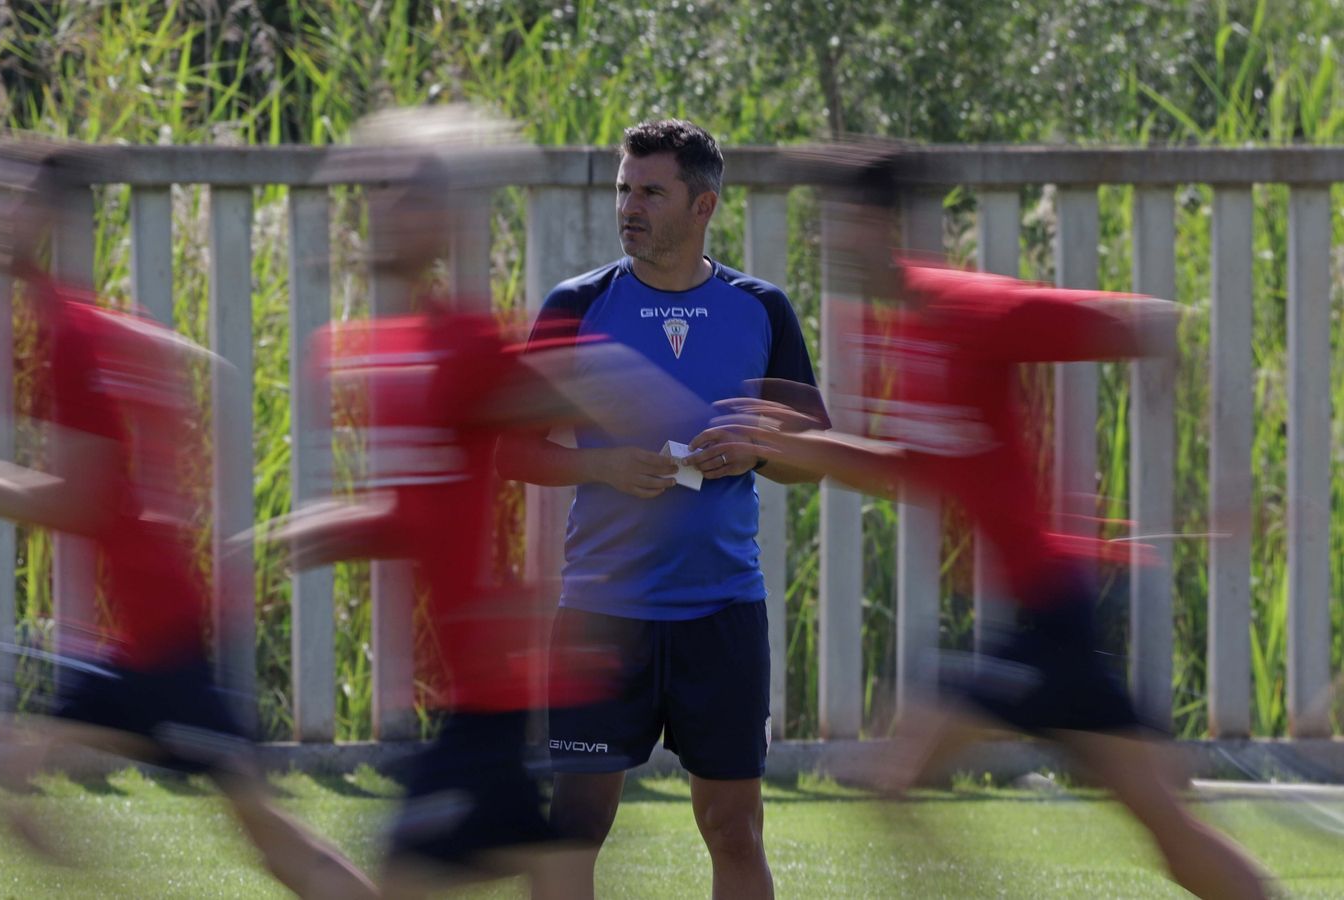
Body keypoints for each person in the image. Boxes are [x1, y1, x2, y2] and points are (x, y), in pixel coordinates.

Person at [701, 152, 1273, 900]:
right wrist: (795, 442)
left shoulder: (972, 308)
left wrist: (1230, 478)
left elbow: (1147, 323)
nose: (826, 243)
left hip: (1051, 611)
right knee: (1164, 831)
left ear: (880, 226)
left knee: (896, 778)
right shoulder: (894, 330)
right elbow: (912, 469)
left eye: (837, 225)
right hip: (1044, 610)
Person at [0, 145, 376, 900]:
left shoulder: (75, 335)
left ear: (50, 216)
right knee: (9, 770)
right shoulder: (78, 321)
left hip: (164, 642)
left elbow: (72, 501)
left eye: (4, 199)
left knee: (272, 843)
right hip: (137, 638)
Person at [258, 105, 720, 899]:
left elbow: (608, 388)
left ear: (438, 220)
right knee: (552, 875)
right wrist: (325, 531)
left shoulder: (459, 346)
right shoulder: (379, 350)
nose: (372, 211)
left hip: (493, 695)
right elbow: (418, 511)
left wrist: (632, 490)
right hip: (471, 693)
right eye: (368, 192)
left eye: (395, 193)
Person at [497, 119, 826, 900]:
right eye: (623, 188)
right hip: (601, 616)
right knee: (573, 829)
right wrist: (601, 463)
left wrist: (757, 453)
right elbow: (510, 451)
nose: (629, 207)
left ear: (703, 204)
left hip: (723, 613)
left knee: (735, 831)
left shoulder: (762, 310)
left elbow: (815, 452)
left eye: (651, 191)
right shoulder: (576, 305)